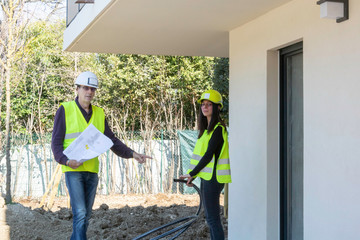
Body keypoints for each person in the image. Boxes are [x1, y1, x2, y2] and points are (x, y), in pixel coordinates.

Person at [51, 71, 151, 240]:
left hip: (92, 171)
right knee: (80, 213)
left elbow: (111, 140)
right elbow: (56, 143)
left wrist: (133, 154)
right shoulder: (65, 109)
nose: (89, 92)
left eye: (93, 89)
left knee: (86, 215)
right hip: (73, 171)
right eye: (85, 88)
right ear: (77, 89)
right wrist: (66, 161)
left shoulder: (99, 113)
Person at [180, 89, 231, 240]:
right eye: (203, 104)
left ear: (217, 108)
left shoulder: (218, 129)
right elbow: (200, 157)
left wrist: (192, 173)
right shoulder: (206, 131)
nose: (205, 107)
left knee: (213, 219)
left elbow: (208, 156)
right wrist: (193, 176)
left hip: (213, 179)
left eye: (209, 104)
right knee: (210, 218)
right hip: (207, 177)